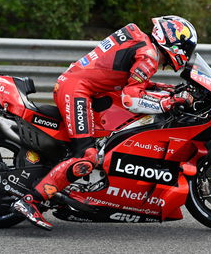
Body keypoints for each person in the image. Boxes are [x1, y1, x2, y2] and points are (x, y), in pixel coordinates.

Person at [13, 15, 198, 230]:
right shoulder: (148, 55)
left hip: (85, 87)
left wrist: (161, 89)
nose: (186, 53)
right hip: (78, 91)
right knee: (87, 156)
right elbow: (131, 98)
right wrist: (168, 103)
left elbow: (125, 76)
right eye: (185, 47)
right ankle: (31, 201)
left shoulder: (142, 42)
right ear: (173, 41)